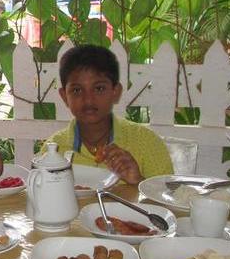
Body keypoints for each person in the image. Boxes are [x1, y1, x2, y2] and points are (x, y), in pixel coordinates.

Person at [44, 44, 173, 184]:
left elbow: (169, 195)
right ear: (64, 96)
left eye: (99, 88)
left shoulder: (146, 143)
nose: (88, 100)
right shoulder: (53, 151)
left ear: (115, 92)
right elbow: (36, 194)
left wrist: (138, 181)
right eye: (77, 90)